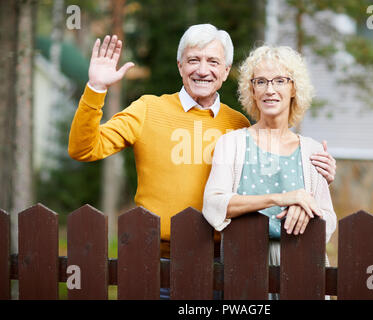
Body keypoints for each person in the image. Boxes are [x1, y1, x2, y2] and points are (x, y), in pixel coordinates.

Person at [68, 24, 336, 260]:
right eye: (193, 60)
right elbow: (83, 148)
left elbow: (271, 180)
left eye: (213, 61)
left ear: (226, 70)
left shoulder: (238, 125)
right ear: (180, 66)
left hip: (222, 260)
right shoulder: (148, 109)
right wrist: (96, 89)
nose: (203, 70)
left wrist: (319, 174)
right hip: (154, 257)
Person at [202, 45, 337, 299]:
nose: (270, 89)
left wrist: (307, 209)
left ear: (294, 88)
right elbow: (213, 204)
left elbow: (328, 220)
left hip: (301, 265)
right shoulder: (232, 143)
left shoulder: (312, 150)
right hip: (244, 267)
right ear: (252, 90)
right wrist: (282, 198)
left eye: (280, 81)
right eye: (261, 81)